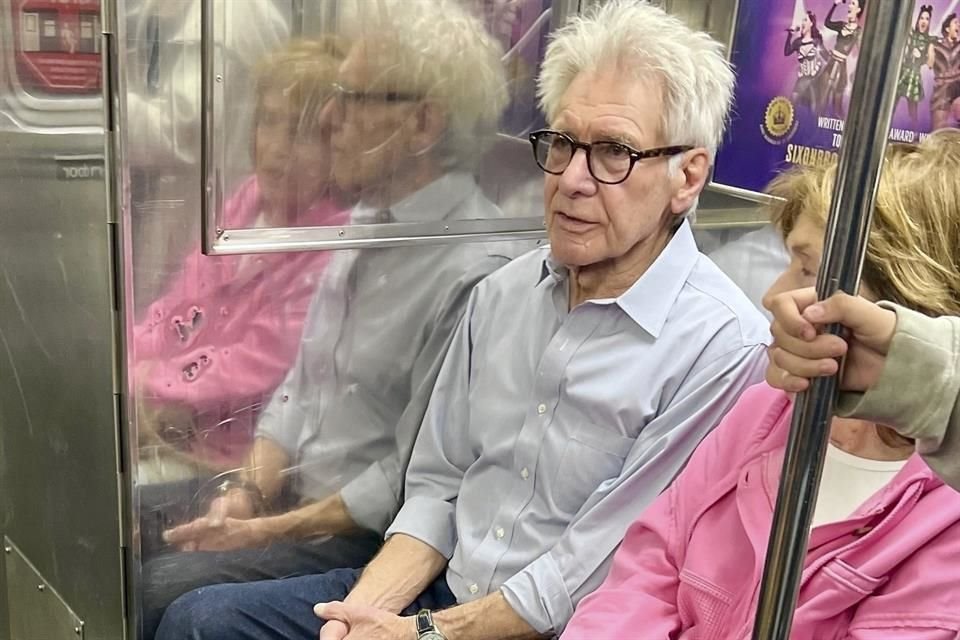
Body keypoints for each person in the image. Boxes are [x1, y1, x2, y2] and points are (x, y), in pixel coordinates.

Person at [155, 2, 770, 639]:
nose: (573, 180)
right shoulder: (504, 295)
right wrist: (361, 616)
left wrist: (428, 636)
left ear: (687, 177)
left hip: (556, 627)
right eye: (561, 144)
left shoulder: (723, 348)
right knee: (199, 622)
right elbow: (439, 485)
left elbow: (595, 564)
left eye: (614, 153)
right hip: (441, 586)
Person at [139, 2, 521, 637]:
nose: (331, 119)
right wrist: (248, 490)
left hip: (366, 538)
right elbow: (299, 386)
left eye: (352, 98)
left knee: (163, 593)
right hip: (290, 497)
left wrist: (260, 531)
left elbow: (409, 481)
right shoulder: (365, 225)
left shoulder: (472, 269)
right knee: (110, 525)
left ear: (423, 123)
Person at [562, 129, 960, 640]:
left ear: (907, 302)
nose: (774, 295)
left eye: (809, 271)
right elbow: (645, 574)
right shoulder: (766, 411)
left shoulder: (942, 513)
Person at [135, 38, 350, 474]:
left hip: (244, 457)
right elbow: (184, 302)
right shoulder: (247, 201)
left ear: (339, 148)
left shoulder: (331, 246)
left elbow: (258, 358)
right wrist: (129, 354)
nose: (276, 147)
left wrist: (159, 382)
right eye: (268, 122)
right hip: (183, 421)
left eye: (303, 132)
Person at [819, 0, 866, 118]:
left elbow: (862, 52)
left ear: (859, 10)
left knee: (837, 104)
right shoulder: (841, 25)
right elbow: (827, 23)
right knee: (822, 99)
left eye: (853, 4)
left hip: (841, 66)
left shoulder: (858, 32)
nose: (849, 6)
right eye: (849, 3)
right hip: (831, 63)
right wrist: (835, 4)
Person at [896, 4, 935, 131]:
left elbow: (930, 64)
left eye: (927, 19)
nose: (924, 21)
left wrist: (922, 57)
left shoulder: (929, 41)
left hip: (914, 76)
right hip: (902, 73)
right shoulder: (911, 34)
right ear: (918, 20)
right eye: (922, 18)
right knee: (890, 104)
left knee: (913, 110)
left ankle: (915, 134)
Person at [784, 11, 825, 111]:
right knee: (792, 105)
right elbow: (787, 52)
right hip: (802, 80)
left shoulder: (816, 41)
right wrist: (790, 35)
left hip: (814, 81)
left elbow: (825, 56)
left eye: (805, 20)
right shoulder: (797, 42)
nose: (802, 23)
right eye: (802, 20)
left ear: (811, 23)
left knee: (814, 109)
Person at [931, 13, 960, 130]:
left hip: (957, 91)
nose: (959, 25)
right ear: (947, 29)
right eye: (956, 23)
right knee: (939, 131)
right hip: (942, 93)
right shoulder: (936, 47)